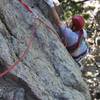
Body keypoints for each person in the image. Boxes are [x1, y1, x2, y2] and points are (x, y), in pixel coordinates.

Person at [44, 0, 89, 68]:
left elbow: (58, 22)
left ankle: (77, 62)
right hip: (85, 50)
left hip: (77, 55)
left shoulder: (69, 35)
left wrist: (51, 5)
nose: (70, 22)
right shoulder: (82, 31)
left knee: (68, 41)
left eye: (71, 22)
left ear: (73, 27)